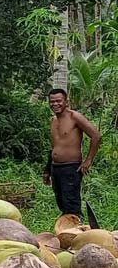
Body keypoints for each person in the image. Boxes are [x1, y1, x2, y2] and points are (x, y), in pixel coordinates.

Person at [43, 88, 101, 216]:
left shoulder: (74, 117)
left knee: (71, 204)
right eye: (52, 101)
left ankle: (77, 231)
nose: (55, 104)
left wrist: (88, 160)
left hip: (70, 168)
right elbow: (54, 147)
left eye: (59, 101)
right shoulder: (53, 120)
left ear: (66, 101)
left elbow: (96, 136)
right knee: (61, 203)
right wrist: (47, 170)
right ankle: (67, 231)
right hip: (55, 168)